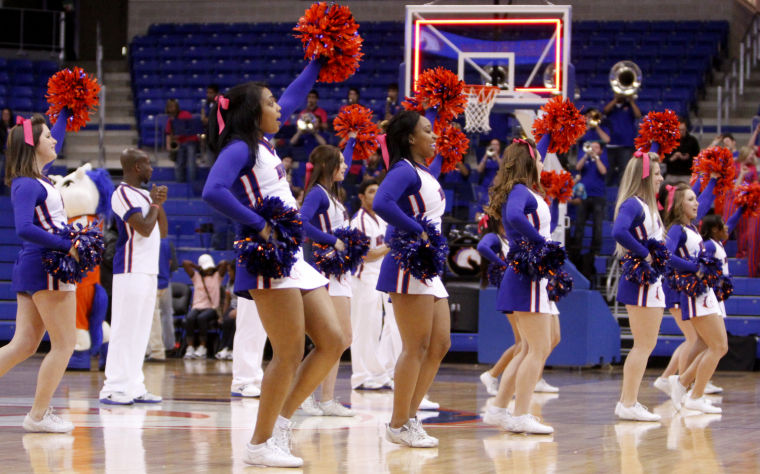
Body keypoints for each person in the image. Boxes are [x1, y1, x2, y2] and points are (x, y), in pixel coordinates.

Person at [202, 59, 345, 468]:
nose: (279, 107)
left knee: (333, 340)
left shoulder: (264, 144)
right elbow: (213, 190)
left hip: (292, 254)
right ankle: (260, 442)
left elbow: (294, 98)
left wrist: (317, 62)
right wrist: (259, 224)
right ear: (252, 112)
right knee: (288, 351)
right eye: (269, 102)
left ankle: (281, 422)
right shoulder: (239, 148)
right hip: (268, 255)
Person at [374, 109, 450, 448]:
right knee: (415, 346)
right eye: (427, 130)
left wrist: (439, 105)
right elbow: (382, 201)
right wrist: (415, 229)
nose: (434, 135)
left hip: (428, 267)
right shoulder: (403, 169)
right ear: (409, 138)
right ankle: (398, 422)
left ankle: (410, 417)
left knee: (439, 344)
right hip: (408, 264)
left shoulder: (423, 171)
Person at [0, 110, 78, 432]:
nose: (54, 139)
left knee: (24, 345)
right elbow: (23, 228)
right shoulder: (26, 185)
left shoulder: (38, 178)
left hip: (36, 265)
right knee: (64, 344)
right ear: (33, 146)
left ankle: (39, 415)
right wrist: (66, 246)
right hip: (46, 265)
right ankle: (38, 416)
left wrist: (67, 109)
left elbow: (54, 131)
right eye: (47, 136)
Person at [480, 139, 560, 435]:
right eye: (539, 158)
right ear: (529, 163)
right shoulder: (520, 192)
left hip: (532, 275)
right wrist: (541, 243)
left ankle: (500, 408)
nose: (543, 163)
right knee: (536, 348)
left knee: (531, 346)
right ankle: (521, 413)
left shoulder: (527, 191)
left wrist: (551, 130)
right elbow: (514, 217)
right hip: (526, 275)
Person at [100, 148, 167, 405]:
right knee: (124, 329)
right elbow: (144, 228)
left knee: (140, 330)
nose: (152, 169)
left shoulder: (143, 194)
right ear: (137, 167)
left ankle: (134, 385)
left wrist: (157, 203)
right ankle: (113, 387)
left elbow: (162, 228)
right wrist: (155, 203)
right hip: (130, 268)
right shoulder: (122, 193)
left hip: (148, 269)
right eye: (148, 164)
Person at [299, 141, 357, 416]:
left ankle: (325, 398)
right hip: (326, 271)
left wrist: (354, 139)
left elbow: (342, 158)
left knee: (342, 338)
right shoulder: (317, 194)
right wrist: (331, 240)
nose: (346, 166)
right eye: (341, 163)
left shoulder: (332, 195)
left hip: (341, 273)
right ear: (328, 167)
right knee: (335, 338)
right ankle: (307, 395)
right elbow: (302, 222)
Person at [661, 183, 727, 414]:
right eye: (690, 199)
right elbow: (666, 255)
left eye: (695, 199)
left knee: (706, 344)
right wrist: (693, 267)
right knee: (719, 346)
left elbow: (707, 198)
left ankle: (681, 384)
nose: (697, 203)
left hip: (704, 291)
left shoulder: (693, 229)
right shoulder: (677, 228)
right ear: (679, 204)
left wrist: (713, 179)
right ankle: (696, 395)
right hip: (694, 291)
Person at [476, 216, 559, 397]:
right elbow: (481, 247)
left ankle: (526, 378)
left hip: (529, 289)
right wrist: (503, 264)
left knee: (545, 340)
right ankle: (494, 376)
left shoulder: (511, 238)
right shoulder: (494, 237)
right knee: (524, 343)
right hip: (514, 292)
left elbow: (551, 224)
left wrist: (556, 201)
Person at [611, 150, 664, 421]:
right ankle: (628, 403)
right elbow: (618, 231)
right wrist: (644, 253)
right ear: (643, 177)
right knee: (643, 345)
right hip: (640, 282)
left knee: (645, 344)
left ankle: (628, 401)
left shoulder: (647, 206)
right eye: (656, 174)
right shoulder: (633, 204)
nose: (661, 178)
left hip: (649, 283)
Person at [349, 178, 392, 390]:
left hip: (381, 276)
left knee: (381, 326)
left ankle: (378, 372)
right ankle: (360, 376)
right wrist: (391, 246)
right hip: (363, 277)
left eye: (378, 191)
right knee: (363, 327)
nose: (375, 195)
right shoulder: (358, 221)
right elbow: (366, 254)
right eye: (371, 191)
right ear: (361, 196)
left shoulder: (382, 219)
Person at [181, 254, 228, 359]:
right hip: (197, 307)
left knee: (201, 318)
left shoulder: (217, 276)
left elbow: (224, 263)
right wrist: (199, 268)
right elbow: (185, 263)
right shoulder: (196, 276)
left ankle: (203, 347)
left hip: (211, 308)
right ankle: (190, 347)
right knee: (190, 318)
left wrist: (213, 268)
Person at [569, 141, 608, 269]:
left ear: (600, 150)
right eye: (592, 146)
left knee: (598, 225)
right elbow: (577, 167)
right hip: (584, 196)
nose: (593, 148)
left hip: (598, 196)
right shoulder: (584, 157)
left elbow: (603, 171)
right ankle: (576, 251)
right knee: (579, 224)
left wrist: (596, 158)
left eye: (596, 147)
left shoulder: (602, 158)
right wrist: (586, 156)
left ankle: (595, 251)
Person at [230, 296, 268, 397]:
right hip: (252, 283)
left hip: (270, 284)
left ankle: (256, 379)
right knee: (249, 325)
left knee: (261, 329)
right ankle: (242, 381)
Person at [145, 208, 169, 361]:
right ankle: (149, 349)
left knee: (153, 319)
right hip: (163, 281)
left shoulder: (154, 240)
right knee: (151, 318)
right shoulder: (165, 239)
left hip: (156, 282)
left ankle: (157, 351)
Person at [603, 95, 641, 186]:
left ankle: (622, 193)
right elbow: (605, 111)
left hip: (626, 144)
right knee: (608, 170)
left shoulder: (630, 105)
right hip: (611, 144)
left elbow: (638, 115)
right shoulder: (611, 104)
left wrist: (631, 101)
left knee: (624, 171)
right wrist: (615, 99)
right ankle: (605, 193)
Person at [165, 98, 200, 183]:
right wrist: (168, 145)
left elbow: (192, 127)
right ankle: (180, 184)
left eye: (173, 107)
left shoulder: (185, 114)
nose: (171, 109)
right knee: (179, 164)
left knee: (191, 164)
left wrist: (181, 133)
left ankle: (192, 185)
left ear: (176, 107)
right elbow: (168, 133)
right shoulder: (170, 119)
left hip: (191, 141)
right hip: (180, 143)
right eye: (169, 107)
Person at [664, 119, 699, 184]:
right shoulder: (669, 141)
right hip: (672, 174)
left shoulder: (692, 141)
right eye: (679, 129)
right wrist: (672, 158)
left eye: (683, 130)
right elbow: (663, 158)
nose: (681, 132)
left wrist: (688, 158)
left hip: (687, 174)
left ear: (686, 129)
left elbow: (697, 158)